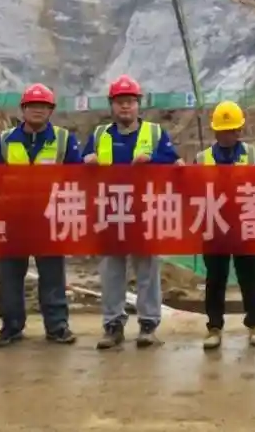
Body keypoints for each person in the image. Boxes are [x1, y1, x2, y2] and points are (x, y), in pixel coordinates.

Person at [80, 75, 180, 350]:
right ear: (112, 105)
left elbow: (176, 165)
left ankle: (148, 325)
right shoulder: (100, 135)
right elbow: (79, 166)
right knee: (111, 272)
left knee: (147, 270)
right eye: (120, 102)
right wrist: (86, 161)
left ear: (138, 105)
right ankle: (113, 326)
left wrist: (153, 159)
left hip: (144, 211)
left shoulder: (155, 134)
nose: (125, 106)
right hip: (110, 212)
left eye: (130, 101)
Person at [0, 84, 82, 348]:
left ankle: (57, 327)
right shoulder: (4, 141)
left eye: (43, 106)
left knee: (52, 276)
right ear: (23, 109)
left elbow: (77, 177)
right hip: (12, 221)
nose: (38, 110)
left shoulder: (64, 140)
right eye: (33, 106)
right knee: (9, 276)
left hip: (49, 220)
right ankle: (10, 327)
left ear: (51, 110)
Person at [199, 100, 255, 351]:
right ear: (216, 131)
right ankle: (214, 327)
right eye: (225, 131)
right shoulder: (203, 158)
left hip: (245, 226)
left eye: (234, 130)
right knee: (215, 280)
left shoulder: (253, 155)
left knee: (248, 278)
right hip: (214, 227)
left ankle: (254, 324)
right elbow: (191, 191)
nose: (230, 135)